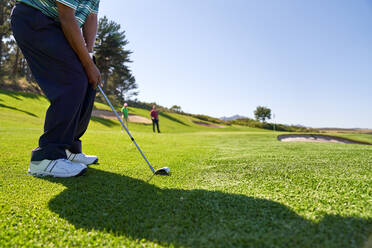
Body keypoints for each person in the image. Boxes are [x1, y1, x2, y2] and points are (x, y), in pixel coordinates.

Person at [11, 0, 101, 177]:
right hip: (34, 17)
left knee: (87, 82)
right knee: (73, 79)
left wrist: (89, 56)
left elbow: (91, 16)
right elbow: (66, 16)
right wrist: (88, 65)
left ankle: (69, 149)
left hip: (57, 25)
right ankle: (45, 158)